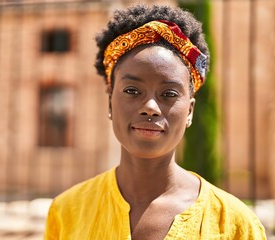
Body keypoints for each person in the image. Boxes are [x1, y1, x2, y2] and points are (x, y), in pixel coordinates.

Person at [44, 4, 266, 240]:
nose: (150, 107)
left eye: (169, 94)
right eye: (132, 90)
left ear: (189, 111)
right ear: (110, 103)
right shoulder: (67, 211)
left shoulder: (236, 225)